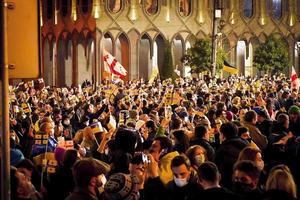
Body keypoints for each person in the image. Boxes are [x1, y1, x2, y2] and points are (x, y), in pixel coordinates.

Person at [215, 122, 248, 189]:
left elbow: (218, 170)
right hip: (247, 183)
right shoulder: (245, 144)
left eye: (220, 134)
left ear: (223, 135)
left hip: (231, 186)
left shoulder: (223, 150)